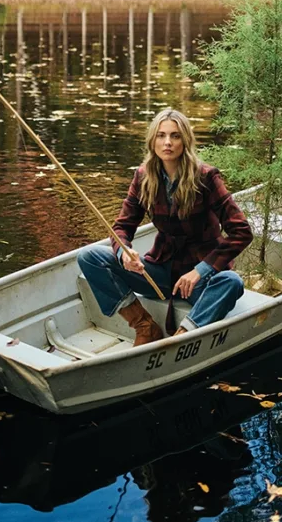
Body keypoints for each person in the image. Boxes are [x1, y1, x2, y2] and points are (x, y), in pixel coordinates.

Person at [77, 108, 252, 346]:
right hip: (161, 270)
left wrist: (201, 270)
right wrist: (124, 252)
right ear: (152, 141)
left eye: (175, 136)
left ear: (185, 141)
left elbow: (241, 231)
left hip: (198, 279)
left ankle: (183, 337)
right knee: (90, 256)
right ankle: (144, 326)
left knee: (232, 282)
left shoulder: (206, 177)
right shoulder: (142, 177)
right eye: (161, 135)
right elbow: (122, 227)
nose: (167, 142)